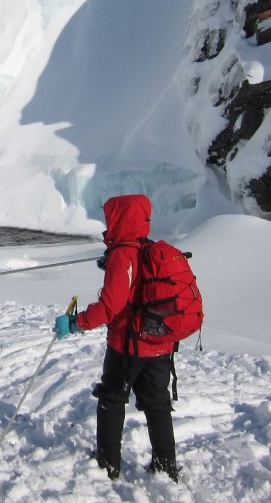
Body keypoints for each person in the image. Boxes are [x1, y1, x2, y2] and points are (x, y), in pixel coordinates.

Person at [53, 194, 180, 483]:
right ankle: (166, 465)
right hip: (160, 344)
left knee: (111, 398)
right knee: (158, 404)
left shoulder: (123, 253)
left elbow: (111, 306)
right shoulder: (146, 248)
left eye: (110, 217)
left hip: (128, 345)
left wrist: (76, 323)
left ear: (119, 218)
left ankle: (107, 463)